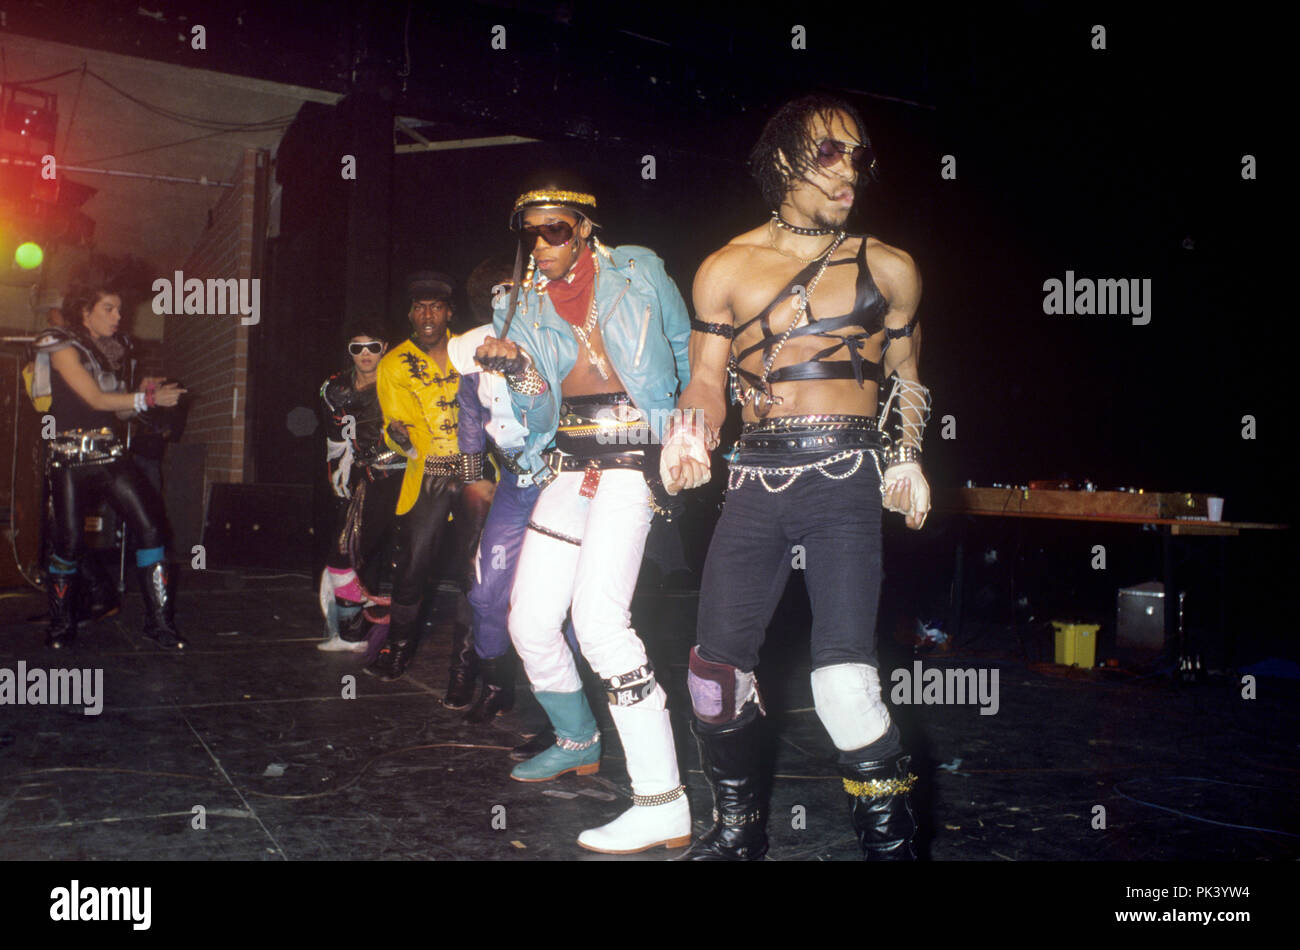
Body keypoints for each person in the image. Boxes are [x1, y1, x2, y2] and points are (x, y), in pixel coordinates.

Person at [662, 94, 932, 860]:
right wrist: (691, 434)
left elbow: (907, 376)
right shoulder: (726, 266)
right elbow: (708, 377)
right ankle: (738, 836)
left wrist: (907, 453)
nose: (850, 170)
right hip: (752, 484)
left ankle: (893, 847)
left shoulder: (890, 266)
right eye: (829, 153)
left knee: (845, 688)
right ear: (782, 158)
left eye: (858, 155)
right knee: (713, 681)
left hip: (844, 478)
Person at [474, 176, 693, 853]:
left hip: (636, 460)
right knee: (530, 620)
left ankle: (663, 800)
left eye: (556, 230)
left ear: (587, 229)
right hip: (570, 465)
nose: (540, 245)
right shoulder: (520, 307)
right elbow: (539, 413)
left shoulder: (642, 271)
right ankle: (577, 740)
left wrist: (688, 436)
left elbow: (686, 353)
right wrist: (519, 374)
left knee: (600, 623)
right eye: (529, 233)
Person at [30, 271, 187, 649]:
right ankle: (61, 624)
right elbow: (94, 400)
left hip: (109, 454)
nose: (118, 316)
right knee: (67, 544)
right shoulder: (57, 344)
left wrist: (143, 393)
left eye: (120, 309)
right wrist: (146, 400)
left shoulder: (108, 353)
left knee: (151, 529)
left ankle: (159, 624)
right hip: (68, 458)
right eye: (109, 308)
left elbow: (117, 413)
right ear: (85, 312)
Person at [367, 271, 481, 683]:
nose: (427, 314)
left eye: (435, 306)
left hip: (476, 476)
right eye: (419, 307)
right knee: (412, 566)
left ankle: (464, 667)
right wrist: (396, 435)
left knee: (476, 573)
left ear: (449, 311)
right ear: (411, 314)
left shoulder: (470, 350)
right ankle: (396, 651)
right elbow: (393, 427)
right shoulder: (394, 363)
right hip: (429, 474)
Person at [317, 322, 404, 652]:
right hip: (367, 476)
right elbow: (335, 438)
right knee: (344, 553)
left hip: (406, 477)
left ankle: (383, 639)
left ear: (385, 347)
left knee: (395, 559)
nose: (365, 354)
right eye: (357, 348)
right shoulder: (335, 388)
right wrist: (339, 471)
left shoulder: (400, 382)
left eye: (372, 347)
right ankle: (349, 634)